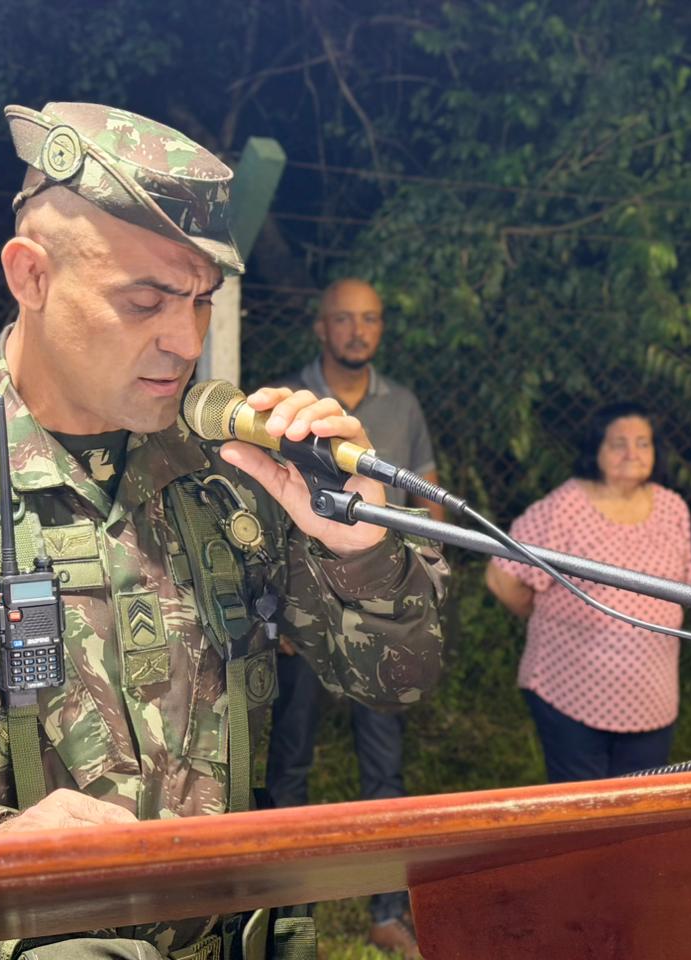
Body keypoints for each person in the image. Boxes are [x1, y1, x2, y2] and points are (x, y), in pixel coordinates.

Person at [0, 102, 449, 960]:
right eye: (145, 301)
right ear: (30, 275)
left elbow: (400, 680)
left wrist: (354, 545)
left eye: (201, 302)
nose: (185, 341)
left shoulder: (229, 472)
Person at [262, 278, 440, 956]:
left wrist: (418, 583)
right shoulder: (286, 405)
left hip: (379, 611)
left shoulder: (403, 405)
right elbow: (266, 507)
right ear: (321, 326)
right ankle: (290, 916)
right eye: (344, 319)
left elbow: (427, 503)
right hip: (304, 617)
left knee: (384, 766)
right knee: (289, 766)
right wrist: (278, 612)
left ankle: (388, 910)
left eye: (370, 318)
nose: (358, 331)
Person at [484, 403, 691, 782]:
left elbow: (685, 588)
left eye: (643, 443)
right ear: (595, 450)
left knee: (643, 801)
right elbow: (502, 576)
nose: (632, 453)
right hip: (571, 691)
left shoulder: (672, 507)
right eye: (618, 444)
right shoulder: (566, 506)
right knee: (584, 804)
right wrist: (543, 614)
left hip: (652, 695)